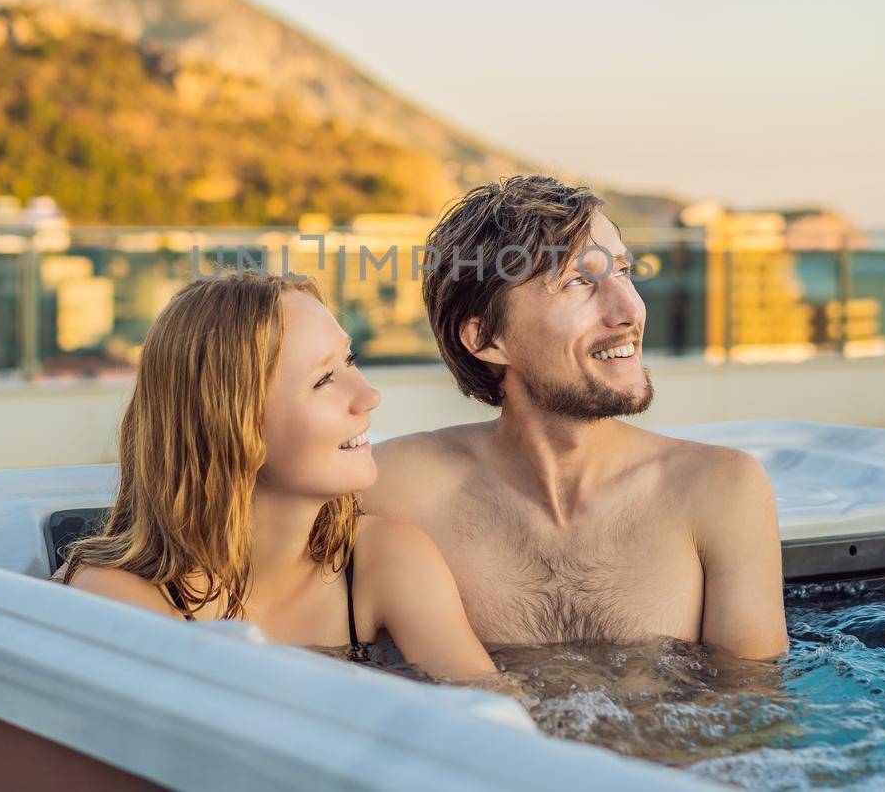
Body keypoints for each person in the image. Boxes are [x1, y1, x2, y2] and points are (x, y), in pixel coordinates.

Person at [363, 176, 789, 660]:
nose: (629, 310)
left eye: (625, 272)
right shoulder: (390, 495)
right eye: (579, 281)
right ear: (486, 339)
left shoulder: (721, 492)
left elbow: (752, 718)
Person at [61, 272, 496, 681]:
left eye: (351, 360)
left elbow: (501, 727)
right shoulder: (121, 600)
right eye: (324, 380)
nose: (368, 395)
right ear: (231, 424)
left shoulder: (381, 559)